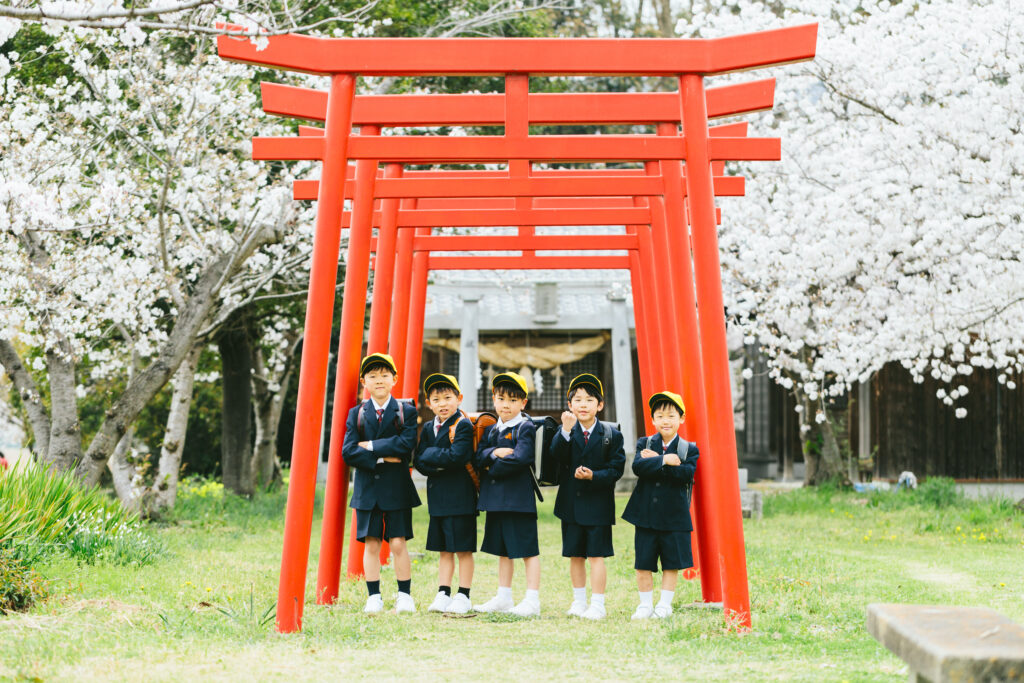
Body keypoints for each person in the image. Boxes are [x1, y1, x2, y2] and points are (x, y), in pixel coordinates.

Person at [342, 352, 421, 615]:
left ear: (394, 379)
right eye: (373, 376)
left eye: (384, 375)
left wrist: (372, 446)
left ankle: (404, 595)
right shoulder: (357, 413)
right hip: (368, 488)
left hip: (396, 487)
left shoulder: (406, 411)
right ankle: (373, 596)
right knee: (372, 543)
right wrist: (382, 458)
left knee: (398, 542)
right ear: (364, 381)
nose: (379, 380)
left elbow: (406, 444)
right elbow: (348, 451)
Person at [550, 373, 625, 620]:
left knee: (596, 556)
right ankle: (579, 601)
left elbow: (616, 470)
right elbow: (555, 457)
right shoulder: (566, 431)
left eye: (590, 399)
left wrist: (594, 475)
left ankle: (598, 604)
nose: (583, 404)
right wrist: (565, 431)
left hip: (598, 504)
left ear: (600, 405)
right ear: (569, 405)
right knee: (575, 555)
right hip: (570, 503)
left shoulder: (611, 434)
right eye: (578, 400)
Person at [622, 391, 699, 620]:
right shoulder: (644, 442)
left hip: (674, 515)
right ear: (653, 420)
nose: (666, 420)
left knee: (671, 562)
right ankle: (645, 605)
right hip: (645, 513)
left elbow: (686, 474)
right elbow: (638, 468)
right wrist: (664, 459)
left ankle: (664, 605)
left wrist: (654, 461)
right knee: (643, 561)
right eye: (660, 416)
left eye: (671, 415)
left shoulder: (688, 449)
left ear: (681, 419)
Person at [472, 371, 541, 617]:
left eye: (513, 400)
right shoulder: (492, 429)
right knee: (503, 549)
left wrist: (493, 465)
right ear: (494, 400)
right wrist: (495, 454)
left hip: (518, 499)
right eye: (501, 399)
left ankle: (532, 599)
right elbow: (479, 456)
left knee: (526, 549)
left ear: (523, 403)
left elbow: (522, 457)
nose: (506, 405)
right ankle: (504, 596)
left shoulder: (525, 426)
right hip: (496, 499)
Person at [413, 373, 477, 615]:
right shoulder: (429, 427)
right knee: (444, 549)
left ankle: (464, 594)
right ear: (429, 403)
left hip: (461, 496)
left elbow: (458, 456)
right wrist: (437, 459)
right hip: (438, 497)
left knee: (463, 548)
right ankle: (443, 592)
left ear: (459, 398)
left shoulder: (463, 425)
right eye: (436, 399)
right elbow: (419, 461)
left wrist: (432, 456)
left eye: (448, 397)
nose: (442, 404)